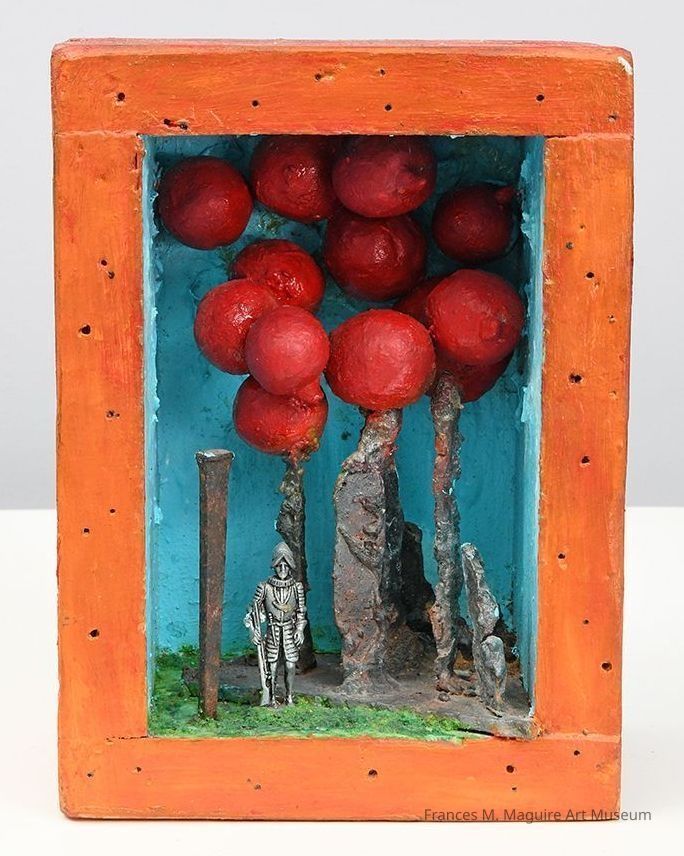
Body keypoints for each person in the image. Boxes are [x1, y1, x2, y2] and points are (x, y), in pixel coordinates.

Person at [244, 542, 307, 705]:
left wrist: (300, 629)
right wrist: (252, 631)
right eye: (279, 565)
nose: (283, 569)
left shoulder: (297, 588)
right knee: (271, 666)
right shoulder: (264, 587)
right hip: (272, 629)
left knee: (291, 665)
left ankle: (289, 697)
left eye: (286, 565)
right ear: (274, 566)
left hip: (289, 629)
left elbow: (301, 611)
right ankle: (271, 697)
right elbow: (252, 610)